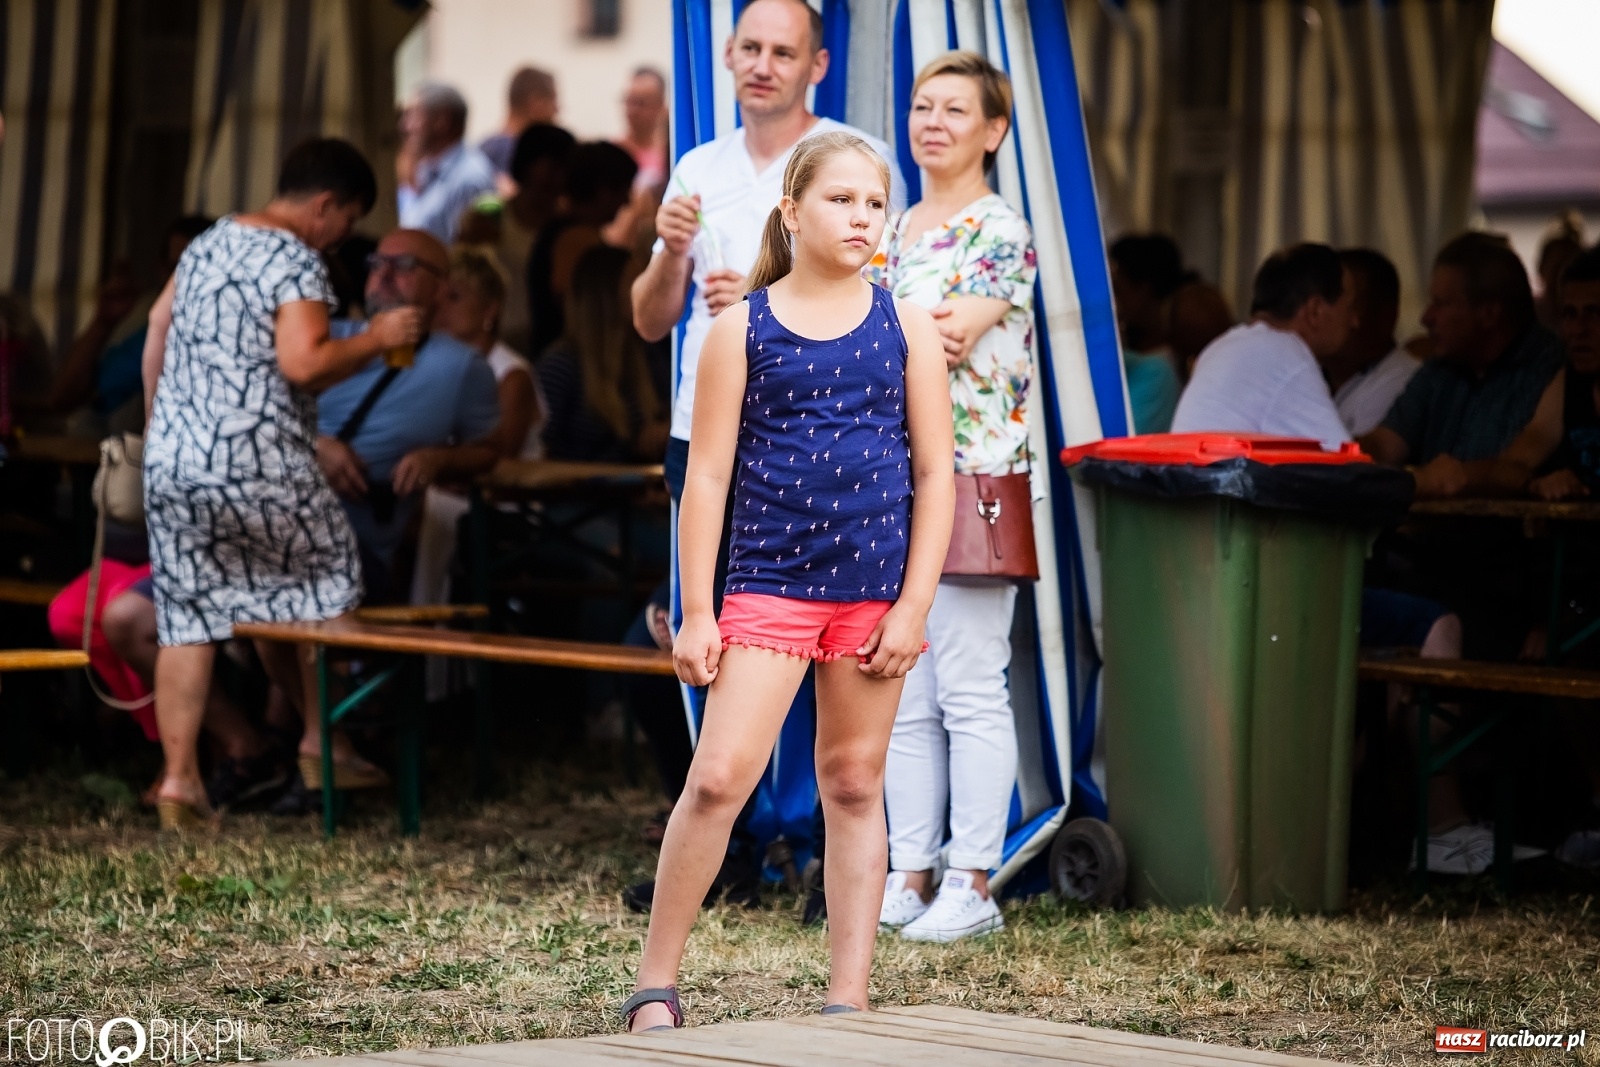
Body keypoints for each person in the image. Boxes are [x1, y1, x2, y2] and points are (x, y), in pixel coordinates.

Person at [623, 130, 953, 1032]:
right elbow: (707, 480)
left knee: (852, 780)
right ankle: (656, 979)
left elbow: (935, 475)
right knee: (723, 773)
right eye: (841, 199)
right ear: (791, 210)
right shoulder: (740, 328)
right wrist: (697, 610)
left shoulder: (906, 323)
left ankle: (848, 995)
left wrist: (914, 602)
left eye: (874, 203)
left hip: (874, 595)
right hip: (769, 586)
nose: (861, 217)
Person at [622, 0, 906, 914]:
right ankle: (734, 846)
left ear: (816, 64)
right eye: (750, 48)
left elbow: (871, 291)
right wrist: (670, 258)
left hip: (824, 444)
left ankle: (824, 856)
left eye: (784, 52)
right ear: (730, 56)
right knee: (696, 640)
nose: (764, 65)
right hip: (705, 435)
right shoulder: (698, 168)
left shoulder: (847, 159)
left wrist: (760, 293)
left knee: (840, 680)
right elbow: (647, 319)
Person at [140, 138, 423, 830]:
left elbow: (156, 327)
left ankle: (179, 782)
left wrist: (165, 430)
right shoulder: (295, 257)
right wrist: (377, 334)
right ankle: (321, 741)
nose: (342, 238)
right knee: (329, 579)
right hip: (259, 461)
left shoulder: (208, 241)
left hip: (175, 459)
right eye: (348, 221)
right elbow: (304, 362)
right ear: (325, 205)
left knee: (190, 617)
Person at [863, 51, 1034, 943]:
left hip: (974, 480)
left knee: (969, 682)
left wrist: (877, 327)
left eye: (954, 110)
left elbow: (949, 337)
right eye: (923, 106)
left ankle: (973, 879)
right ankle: (909, 870)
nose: (931, 121)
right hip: (898, 479)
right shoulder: (896, 223)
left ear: (993, 131)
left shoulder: (998, 229)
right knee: (904, 684)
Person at [315, 230, 502, 601]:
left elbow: (491, 452)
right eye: (376, 264)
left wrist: (440, 459)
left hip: (348, 554)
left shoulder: (461, 367)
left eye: (403, 267)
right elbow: (243, 418)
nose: (384, 275)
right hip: (269, 518)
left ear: (440, 289)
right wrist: (313, 446)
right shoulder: (320, 340)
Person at [1360, 233, 1563, 496]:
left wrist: (1436, 478)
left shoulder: (1550, 369)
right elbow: (1385, 445)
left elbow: (1512, 470)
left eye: (1440, 304)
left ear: (1489, 314)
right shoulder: (1440, 368)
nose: (1426, 318)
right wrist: (1330, 455)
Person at [410, 248, 545, 626]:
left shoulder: (511, 373)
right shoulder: (431, 365)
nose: (442, 307)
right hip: (447, 488)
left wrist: (436, 468)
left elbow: (500, 456)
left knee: (432, 512)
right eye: (440, 297)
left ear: (489, 311)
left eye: (455, 297)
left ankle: (431, 644)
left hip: (504, 503)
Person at [1171, 243, 1354, 449]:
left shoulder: (1221, 347)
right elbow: (1346, 466)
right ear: (1315, 311)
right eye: (1349, 308)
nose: (1354, 321)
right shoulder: (1285, 354)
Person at [48, 216, 213, 433]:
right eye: (174, 268)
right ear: (160, 271)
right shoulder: (150, 333)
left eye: (196, 269)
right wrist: (103, 322)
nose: (181, 280)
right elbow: (64, 398)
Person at [538, 245, 665, 462]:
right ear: (606, 294)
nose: (646, 290)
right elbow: (540, 450)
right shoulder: (562, 365)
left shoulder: (642, 357)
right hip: (576, 492)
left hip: (636, 489)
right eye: (636, 281)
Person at [525, 142, 638, 357]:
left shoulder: (566, 232)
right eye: (623, 189)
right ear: (602, 190)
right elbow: (569, 298)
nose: (627, 200)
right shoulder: (574, 239)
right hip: (570, 360)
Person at [1319, 248, 1419, 438]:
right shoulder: (1315, 374)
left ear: (1386, 316)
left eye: (1347, 305)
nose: (1323, 314)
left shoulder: (1402, 381)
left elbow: (1356, 464)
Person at [397, 83, 498, 245]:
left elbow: (464, 254)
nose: (405, 126)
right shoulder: (428, 169)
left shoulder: (469, 179)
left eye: (414, 116)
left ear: (441, 121)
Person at [1107, 234, 1183, 433]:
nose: (1115, 305)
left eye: (1118, 289)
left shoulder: (1158, 372)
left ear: (1144, 289)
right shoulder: (1132, 356)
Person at [479, 67, 559, 184]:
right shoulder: (524, 157)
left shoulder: (481, 151)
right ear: (536, 103)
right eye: (554, 100)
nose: (557, 110)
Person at [618, 67, 669, 196]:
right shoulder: (612, 153)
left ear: (661, 106)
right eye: (629, 101)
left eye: (641, 103)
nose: (632, 110)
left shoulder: (671, 154)